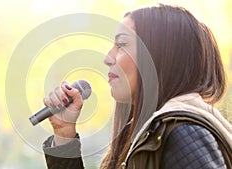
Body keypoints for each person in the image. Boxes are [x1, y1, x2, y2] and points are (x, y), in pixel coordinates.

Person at [41, 4, 232, 169]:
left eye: (122, 44)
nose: (108, 58)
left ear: (158, 57)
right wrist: (64, 134)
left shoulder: (183, 133)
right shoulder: (145, 134)